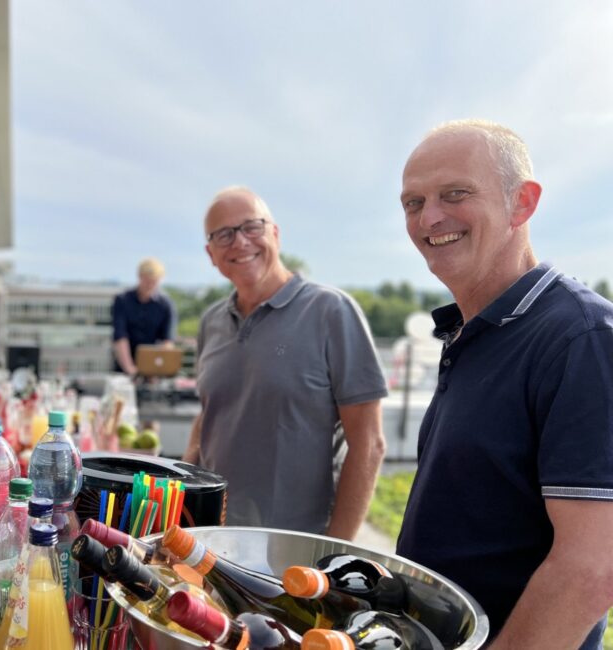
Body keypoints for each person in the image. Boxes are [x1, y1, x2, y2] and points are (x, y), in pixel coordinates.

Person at [395, 119, 613, 649]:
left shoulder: (580, 337)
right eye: (413, 202)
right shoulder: (473, 333)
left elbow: (593, 565)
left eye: (455, 194)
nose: (430, 217)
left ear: (522, 203)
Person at [181, 187, 387, 538]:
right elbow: (211, 415)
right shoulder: (211, 321)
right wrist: (180, 500)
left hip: (295, 548)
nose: (240, 242)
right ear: (210, 253)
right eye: (224, 234)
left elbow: (369, 443)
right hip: (209, 541)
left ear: (274, 233)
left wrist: (333, 553)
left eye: (251, 227)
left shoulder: (331, 312)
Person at [110, 257, 178, 376]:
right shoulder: (122, 300)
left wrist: (159, 369)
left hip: (153, 366)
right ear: (139, 277)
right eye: (147, 280)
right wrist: (130, 368)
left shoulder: (166, 304)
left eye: (154, 281)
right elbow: (120, 337)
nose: (150, 285)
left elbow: (168, 341)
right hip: (124, 364)